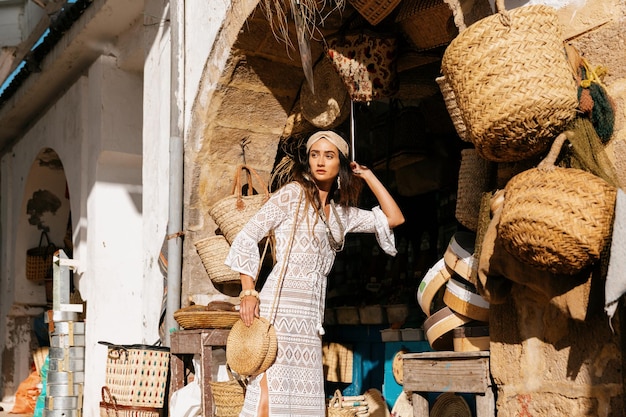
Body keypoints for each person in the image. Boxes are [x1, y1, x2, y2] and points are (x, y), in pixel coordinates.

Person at [225, 130, 405, 417]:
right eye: (315, 155)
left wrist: (368, 176)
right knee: (268, 392)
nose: (320, 161)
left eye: (329, 156)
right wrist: (248, 292)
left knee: (299, 399)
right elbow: (247, 237)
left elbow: (394, 218)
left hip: (309, 318)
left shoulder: (341, 214)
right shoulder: (291, 195)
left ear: (341, 165)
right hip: (279, 309)